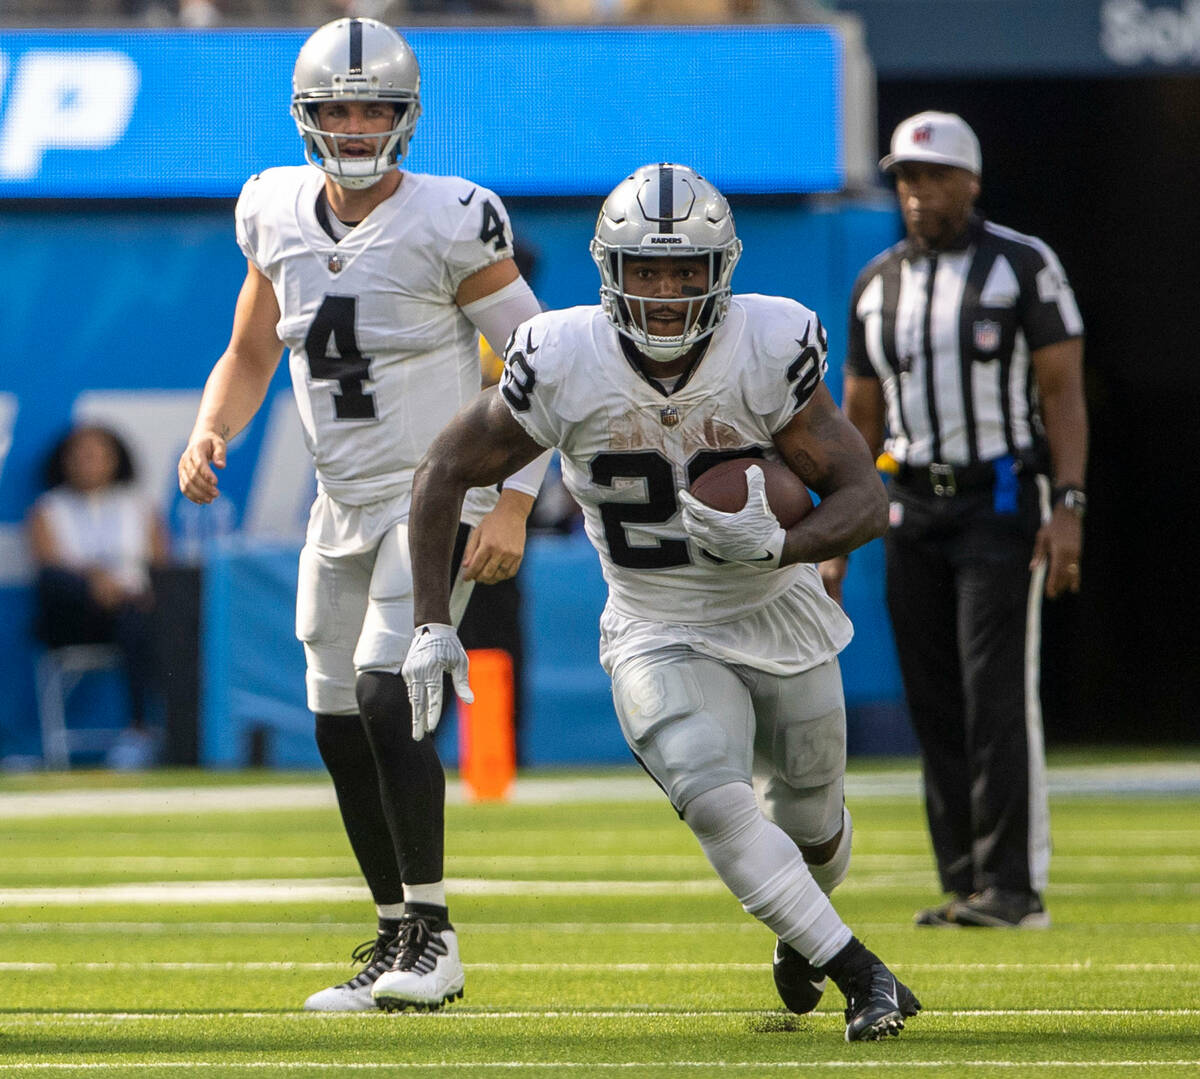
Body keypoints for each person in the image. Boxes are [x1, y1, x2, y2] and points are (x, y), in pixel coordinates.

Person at [401, 163, 922, 1042]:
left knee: (813, 815)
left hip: (777, 603)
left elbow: (863, 498)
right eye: (647, 269)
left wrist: (783, 545)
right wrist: (428, 620)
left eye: (686, 271)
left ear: (724, 269)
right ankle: (860, 972)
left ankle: (803, 936)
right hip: (655, 618)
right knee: (713, 793)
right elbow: (443, 470)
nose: (668, 291)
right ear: (611, 269)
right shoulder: (562, 356)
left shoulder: (769, 343)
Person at [177, 17, 548, 1012]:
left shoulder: (451, 217)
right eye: (335, 107)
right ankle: (396, 931)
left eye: (370, 107)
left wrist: (513, 500)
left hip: (436, 494)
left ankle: (434, 936)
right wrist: (213, 429)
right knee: (336, 718)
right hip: (337, 501)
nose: (352, 124)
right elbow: (254, 350)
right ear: (305, 115)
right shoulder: (273, 207)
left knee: (387, 689)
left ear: (405, 117)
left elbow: (544, 367)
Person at [822, 112, 1087, 929]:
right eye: (905, 178)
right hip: (909, 504)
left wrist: (1070, 502)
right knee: (932, 697)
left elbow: (1061, 392)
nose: (916, 193)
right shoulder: (877, 282)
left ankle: (1013, 886)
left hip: (1000, 498)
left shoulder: (1023, 266)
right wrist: (834, 532)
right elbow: (857, 416)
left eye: (933, 177)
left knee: (994, 693)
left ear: (970, 181)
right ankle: (967, 877)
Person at [28, 424, 169, 766]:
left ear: (115, 459)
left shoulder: (139, 506)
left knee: (137, 617)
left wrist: (128, 593)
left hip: (133, 616)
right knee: (58, 582)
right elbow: (50, 568)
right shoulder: (48, 509)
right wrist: (95, 584)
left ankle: (139, 732)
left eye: (95, 454)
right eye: (78, 455)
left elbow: (162, 568)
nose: (86, 462)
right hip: (76, 618)